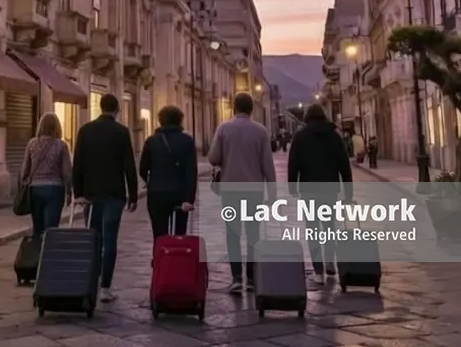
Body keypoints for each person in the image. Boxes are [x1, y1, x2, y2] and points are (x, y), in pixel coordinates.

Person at [207, 92, 277, 295]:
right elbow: (267, 166)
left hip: (230, 190)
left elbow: (213, 158)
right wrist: (272, 195)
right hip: (254, 191)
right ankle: (253, 278)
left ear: (234, 107)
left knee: (232, 234)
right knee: (253, 234)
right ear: (251, 109)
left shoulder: (223, 128)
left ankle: (236, 278)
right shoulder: (261, 131)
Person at [72, 93, 138, 302]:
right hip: (114, 194)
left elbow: (78, 164)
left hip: (91, 194)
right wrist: (133, 195)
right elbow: (129, 165)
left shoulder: (85, 130)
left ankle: (88, 282)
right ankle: (105, 287)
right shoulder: (121, 132)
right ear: (117, 109)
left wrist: (78, 193)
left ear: (100, 107)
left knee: (93, 238)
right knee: (110, 240)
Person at [287, 104, 353, 285]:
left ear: (307, 118)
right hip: (330, 189)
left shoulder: (300, 137)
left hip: (308, 190)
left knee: (313, 230)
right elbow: (344, 167)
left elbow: (293, 163)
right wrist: (348, 194)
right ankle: (330, 262)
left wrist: (292, 187)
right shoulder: (334, 137)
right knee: (329, 225)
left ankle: (318, 271)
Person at [139, 105, 198, 247]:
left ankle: (160, 262)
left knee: (159, 234)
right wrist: (189, 199)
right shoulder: (187, 141)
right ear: (180, 121)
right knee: (179, 234)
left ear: (160, 121)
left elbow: (142, 168)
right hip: (179, 194)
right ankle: (177, 262)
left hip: (157, 193)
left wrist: (149, 180)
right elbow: (191, 172)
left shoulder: (151, 141)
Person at [20, 112, 72, 237]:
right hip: (54, 189)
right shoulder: (61, 145)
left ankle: (37, 253)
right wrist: (69, 190)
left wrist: (24, 185)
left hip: (35, 190)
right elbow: (67, 172)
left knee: (37, 229)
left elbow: (24, 171)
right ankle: (48, 254)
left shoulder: (32, 144)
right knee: (51, 229)